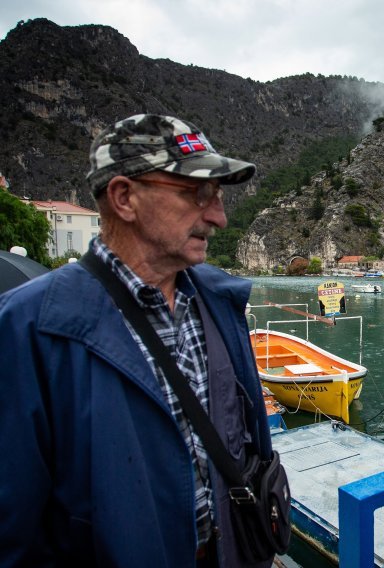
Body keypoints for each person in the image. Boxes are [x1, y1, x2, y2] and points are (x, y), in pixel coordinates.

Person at [0, 114, 274, 567]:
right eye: (198, 192)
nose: (219, 217)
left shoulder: (220, 301)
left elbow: (250, 447)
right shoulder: (28, 329)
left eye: (219, 195)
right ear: (124, 197)